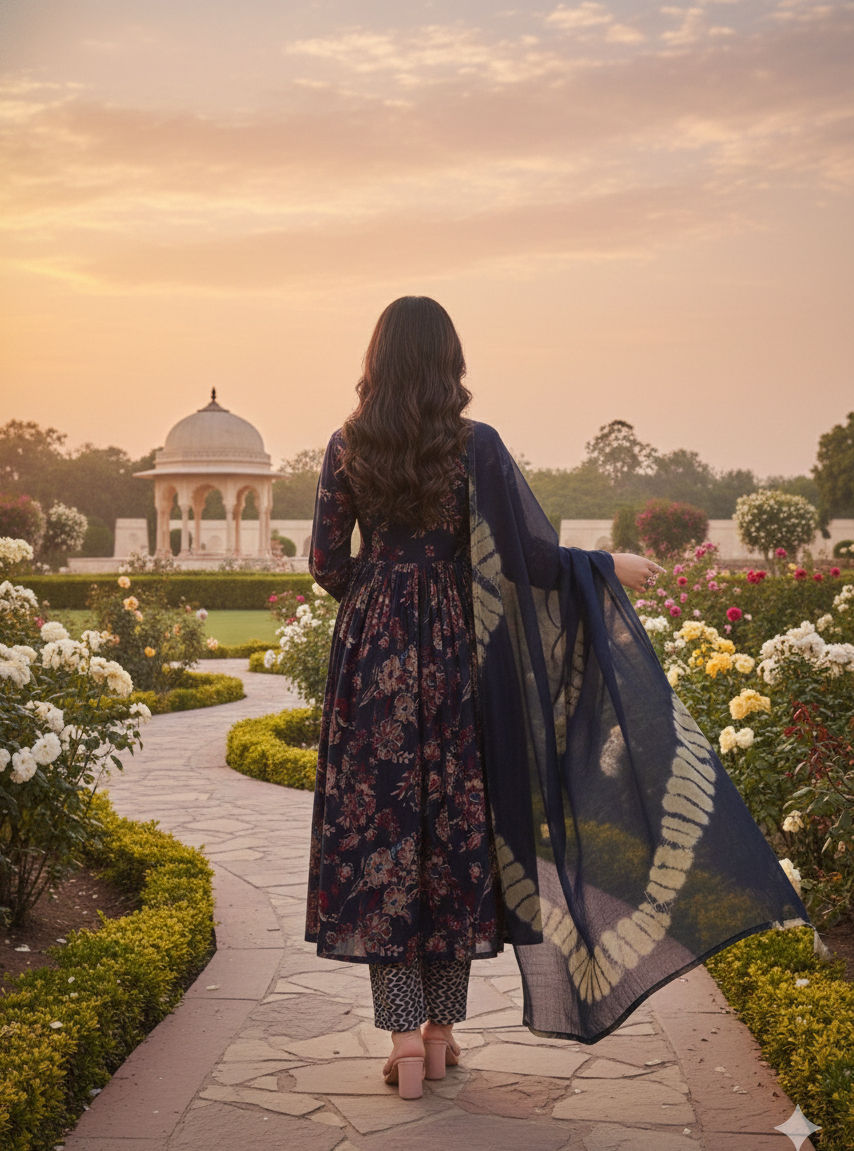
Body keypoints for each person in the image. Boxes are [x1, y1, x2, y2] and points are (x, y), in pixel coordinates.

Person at [306, 296, 810, 1100]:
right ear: (446, 359)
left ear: (378, 358)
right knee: (457, 838)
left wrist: (382, 600)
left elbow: (328, 565)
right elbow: (530, 556)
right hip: (462, 656)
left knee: (388, 842)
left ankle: (402, 1042)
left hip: (375, 661)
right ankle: (439, 1034)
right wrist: (605, 566)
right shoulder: (474, 445)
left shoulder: (346, 445)